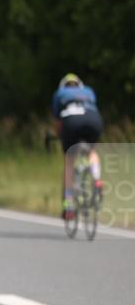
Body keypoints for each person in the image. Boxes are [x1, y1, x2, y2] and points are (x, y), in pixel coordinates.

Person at [52, 73, 103, 220]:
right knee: (91, 151)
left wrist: (59, 135)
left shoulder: (60, 93)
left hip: (71, 121)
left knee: (69, 160)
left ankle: (68, 205)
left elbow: (58, 122)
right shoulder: (89, 91)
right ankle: (96, 177)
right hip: (94, 119)